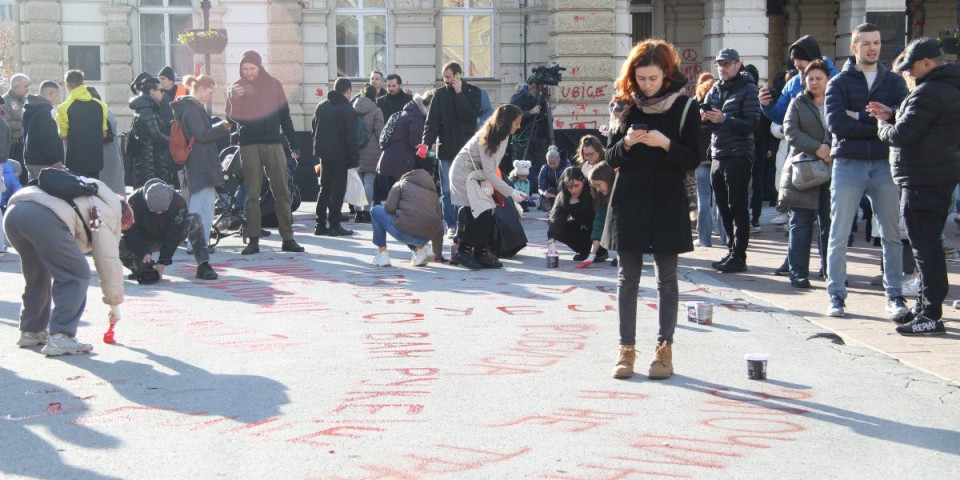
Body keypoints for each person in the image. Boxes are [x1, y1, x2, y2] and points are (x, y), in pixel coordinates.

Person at [606, 39, 701, 380]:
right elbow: (609, 158)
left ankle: (664, 350)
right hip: (629, 198)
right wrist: (627, 142)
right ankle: (626, 350)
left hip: (667, 198)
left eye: (653, 78)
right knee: (626, 277)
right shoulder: (623, 105)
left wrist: (666, 144)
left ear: (666, 74)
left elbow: (694, 157)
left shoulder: (686, 107)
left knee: (667, 279)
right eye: (641, 78)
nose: (646, 85)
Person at [874, 38, 960, 335]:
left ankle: (930, 314)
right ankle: (925, 308)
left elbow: (902, 135)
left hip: (923, 178)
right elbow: (922, 126)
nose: (908, 74)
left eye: (911, 68)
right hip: (937, 176)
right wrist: (893, 114)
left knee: (926, 250)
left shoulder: (929, 92)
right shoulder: (947, 88)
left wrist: (882, 125)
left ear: (926, 63)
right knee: (928, 246)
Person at [823, 23, 909, 319]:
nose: (873, 48)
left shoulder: (895, 82)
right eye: (867, 43)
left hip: (886, 164)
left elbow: (903, 120)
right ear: (854, 47)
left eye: (877, 42)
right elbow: (837, 125)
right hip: (848, 163)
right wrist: (878, 121)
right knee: (839, 232)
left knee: (891, 234)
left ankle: (894, 295)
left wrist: (859, 117)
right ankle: (836, 295)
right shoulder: (838, 83)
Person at [3, 176, 127, 356]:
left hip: (15, 212)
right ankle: (62, 336)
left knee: (38, 274)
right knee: (76, 274)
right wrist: (114, 305)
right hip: (42, 217)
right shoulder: (106, 212)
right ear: (123, 213)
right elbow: (106, 260)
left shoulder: (89, 192)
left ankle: (32, 331)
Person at [226, 50, 305, 254]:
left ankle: (288, 238)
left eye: (252, 68)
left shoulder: (274, 85)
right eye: (245, 69)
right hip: (249, 143)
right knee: (252, 193)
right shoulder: (237, 87)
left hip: (273, 142)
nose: (248, 72)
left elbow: (285, 116)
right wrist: (233, 98)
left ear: (259, 67)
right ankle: (253, 240)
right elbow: (232, 118)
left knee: (282, 191)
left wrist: (294, 143)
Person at [448, 104, 527, 269]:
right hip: (463, 174)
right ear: (506, 122)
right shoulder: (490, 137)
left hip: (475, 173)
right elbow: (490, 173)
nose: (519, 126)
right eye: (516, 123)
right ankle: (464, 251)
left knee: (486, 211)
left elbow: (491, 169)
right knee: (478, 211)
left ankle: (481, 252)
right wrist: (511, 192)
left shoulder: (502, 135)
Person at [703, 48, 760, 273]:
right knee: (722, 206)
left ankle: (739, 255)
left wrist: (724, 118)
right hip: (718, 152)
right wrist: (704, 117)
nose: (722, 68)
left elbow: (752, 123)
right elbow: (706, 122)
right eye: (719, 64)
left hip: (739, 153)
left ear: (738, 64)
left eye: (726, 64)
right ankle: (731, 249)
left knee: (737, 205)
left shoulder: (748, 89)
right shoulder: (714, 89)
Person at [781, 60, 834, 289]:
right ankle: (798, 272)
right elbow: (790, 131)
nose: (814, 82)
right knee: (800, 223)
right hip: (804, 172)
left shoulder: (836, 102)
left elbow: (844, 127)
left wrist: (832, 149)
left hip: (832, 170)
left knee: (829, 224)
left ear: (828, 80)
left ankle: (829, 270)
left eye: (818, 78)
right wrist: (817, 148)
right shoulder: (797, 103)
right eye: (810, 78)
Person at [172, 74, 232, 252]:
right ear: (202, 88)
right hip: (199, 161)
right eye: (210, 92)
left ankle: (200, 242)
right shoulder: (192, 109)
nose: (210, 96)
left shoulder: (192, 107)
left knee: (204, 203)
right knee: (200, 204)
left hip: (199, 160)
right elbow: (201, 135)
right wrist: (222, 127)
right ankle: (196, 243)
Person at [422, 62, 482, 235]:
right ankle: (451, 224)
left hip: (466, 149)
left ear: (458, 75)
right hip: (446, 148)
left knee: (466, 187)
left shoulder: (473, 92)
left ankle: (465, 223)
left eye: (448, 77)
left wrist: (459, 94)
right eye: (443, 77)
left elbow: (471, 116)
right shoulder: (439, 95)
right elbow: (431, 123)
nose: (445, 80)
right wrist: (426, 143)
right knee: (447, 189)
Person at [120, 179, 218, 281]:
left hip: (167, 236)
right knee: (115, 241)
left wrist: (162, 262)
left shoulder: (178, 202)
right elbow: (129, 232)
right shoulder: (133, 201)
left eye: (162, 210)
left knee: (194, 219)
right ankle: (140, 269)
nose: (159, 213)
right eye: (154, 211)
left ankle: (203, 265)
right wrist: (144, 252)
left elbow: (173, 234)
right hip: (144, 239)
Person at [370, 153, 445, 267]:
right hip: (426, 236)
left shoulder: (400, 184)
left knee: (376, 210)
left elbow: (389, 208)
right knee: (411, 220)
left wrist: (399, 210)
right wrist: (438, 254)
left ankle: (382, 253)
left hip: (405, 233)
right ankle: (421, 249)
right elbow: (438, 222)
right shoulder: (433, 193)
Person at [312, 77, 359, 237]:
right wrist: (354, 161)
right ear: (348, 91)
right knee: (338, 190)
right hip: (341, 156)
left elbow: (314, 128)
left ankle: (319, 225)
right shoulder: (347, 109)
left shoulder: (322, 105)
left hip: (324, 155)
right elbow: (352, 137)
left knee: (324, 189)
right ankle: (334, 225)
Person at [376, 91, 432, 203]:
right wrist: (429, 147)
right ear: (429, 105)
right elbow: (414, 142)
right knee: (399, 200)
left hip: (389, 160)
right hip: (400, 163)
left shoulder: (408, 112)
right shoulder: (416, 116)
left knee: (391, 198)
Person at [56, 69, 108, 179]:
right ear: (83, 84)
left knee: (77, 191)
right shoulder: (101, 105)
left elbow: (63, 135)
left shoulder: (63, 108)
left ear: (68, 86)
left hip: (75, 160)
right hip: (95, 159)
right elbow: (104, 134)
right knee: (94, 190)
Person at [128, 73, 177, 188]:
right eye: (161, 90)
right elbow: (155, 135)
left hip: (150, 160)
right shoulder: (147, 109)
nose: (163, 93)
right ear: (152, 91)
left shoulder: (148, 107)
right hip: (149, 163)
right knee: (152, 195)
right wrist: (174, 142)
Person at [547, 167, 605, 263]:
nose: (573, 190)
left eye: (576, 186)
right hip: (583, 230)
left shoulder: (593, 192)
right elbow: (556, 218)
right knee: (561, 229)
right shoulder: (563, 197)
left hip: (598, 230)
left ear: (583, 182)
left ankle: (600, 252)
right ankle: (584, 252)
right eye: (569, 187)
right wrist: (551, 241)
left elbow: (600, 221)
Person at [509, 77, 550, 191]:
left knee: (539, 167)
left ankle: (539, 192)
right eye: (539, 85)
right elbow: (513, 115)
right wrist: (530, 112)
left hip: (538, 139)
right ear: (532, 84)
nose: (541, 88)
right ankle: (524, 194)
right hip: (522, 139)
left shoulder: (539, 98)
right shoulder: (519, 97)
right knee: (524, 168)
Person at [354, 84, 385, 223]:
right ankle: (366, 212)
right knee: (369, 181)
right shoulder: (376, 110)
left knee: (357, 182)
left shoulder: (353, 108)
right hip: (372, 148)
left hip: (355, 148)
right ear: (375, 96)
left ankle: (357, 213)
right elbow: (380, 132)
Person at [21, 81, 63, 182]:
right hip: (44, 161)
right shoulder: (45, 112)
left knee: (34, 192)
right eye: (56, 96)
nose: (55, 99)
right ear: (51, 94)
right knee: (47, 193)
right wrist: (55, 159)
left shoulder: (30, 109)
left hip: (30, 158)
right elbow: (47, 137)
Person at [694, 72, 718, 248]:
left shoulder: (694, 106)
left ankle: (704, 239)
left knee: (703, 197)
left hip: (700, 157)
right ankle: (725, 237)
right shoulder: (718, 106)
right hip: (717, 155)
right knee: (721, 198)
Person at [87, 87, 125, 196]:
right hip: (112, 155)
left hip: (100, 156)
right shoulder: (107, 111)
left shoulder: (93, 112)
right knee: (115, 188)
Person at [583, 161, 617, 267]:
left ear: (608, 179)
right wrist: (592, 254)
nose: (597, 189)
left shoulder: (622, 191)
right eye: (595, 186)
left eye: (598, 185)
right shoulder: (602, 197)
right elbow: (600, 221)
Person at [3, 73, 29, 166]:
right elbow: (5, 123)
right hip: (13, 146)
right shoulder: (6, 101)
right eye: (25, 86)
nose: (28, 88)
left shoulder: (24, 100)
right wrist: (25, 124)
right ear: (16, 87)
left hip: (23, 142)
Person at [537, 145, 570, 211]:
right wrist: (544, 193)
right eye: (550, 163)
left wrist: (563, 192)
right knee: (548, 205)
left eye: (554, 163)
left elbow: (569, 181)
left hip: (563, 190)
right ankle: (546, 204)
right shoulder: (544, 168)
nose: (552, 165)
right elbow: (540, 187)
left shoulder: (566, 165)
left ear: (559, 159)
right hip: (550, 191)